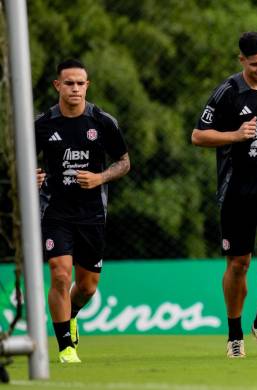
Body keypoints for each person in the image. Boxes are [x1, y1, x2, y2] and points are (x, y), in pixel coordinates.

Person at [191, 32, 257, 359]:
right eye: (255, 64)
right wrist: (235, 135)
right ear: (242, 61)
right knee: (239, 264)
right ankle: (234, 333)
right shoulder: (227, 92)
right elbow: (198, 135)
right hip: (236, 190)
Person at [35, 59, 130, 363]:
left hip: (92, 214)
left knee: (87, 286)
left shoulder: (103, 122)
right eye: (69, 83)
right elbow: (21, 161)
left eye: (80, 83)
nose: (75, 88)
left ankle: (72, 313)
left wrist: (100, 177)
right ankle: (66, 347)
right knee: (60, 274)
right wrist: (32, 174)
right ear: (57, 86)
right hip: (55, 211)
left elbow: (124, 163)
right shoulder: (42, 124)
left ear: (87, 85)